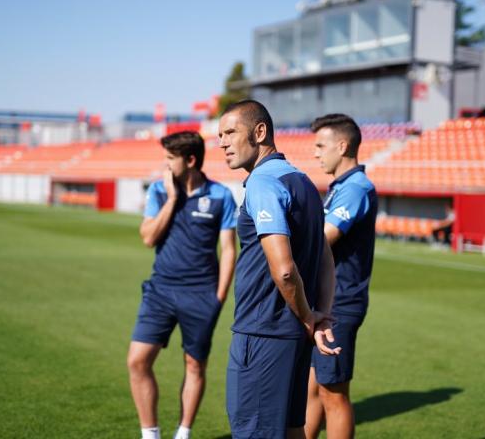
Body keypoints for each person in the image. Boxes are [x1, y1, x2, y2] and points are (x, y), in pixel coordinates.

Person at [218, 100, 339, 439]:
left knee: (255, 432)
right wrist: (321, 315)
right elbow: (325, 257)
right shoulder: (304, 182)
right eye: (219, 135)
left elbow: (284, 270)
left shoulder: (262, 183)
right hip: (293, 336)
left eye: (230, 132)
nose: (222, 142)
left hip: (263, 333)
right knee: (291, 430)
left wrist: (307, 317)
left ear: (259, 132)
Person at [127, 131, 237, 439]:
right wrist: (173, 199)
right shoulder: (160, 193)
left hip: (202, 294)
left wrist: (219, 296)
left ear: (189, 160)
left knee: (194, 365)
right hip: (160, 290)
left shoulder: (221, 196)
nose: (164, 165)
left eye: (169, 159)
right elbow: (148, 237)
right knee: (137, 361)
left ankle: (183, 433)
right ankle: (150, 435)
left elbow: (229, 248)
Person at [305, 114, 378, 439]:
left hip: (341, 304)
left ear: (343, 145)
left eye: (321, 145)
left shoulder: (357, 188)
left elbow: (324, 236)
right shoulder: (341, 187)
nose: (316, 153)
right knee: (310, 390)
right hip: (324, 300)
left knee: (333, 394)